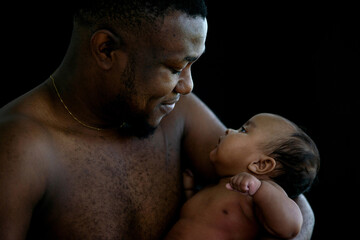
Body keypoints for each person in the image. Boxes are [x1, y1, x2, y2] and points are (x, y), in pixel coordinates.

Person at [0, 1, 315, 239]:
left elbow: (284, 189)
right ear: (106, 49)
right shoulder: (20, 149)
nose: (188, 86)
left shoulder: (175, 110)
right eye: (176, 68)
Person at [165, 113, 320, 240]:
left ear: (261, 165)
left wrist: (259, 189)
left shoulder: (257, 194)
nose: (228, 130)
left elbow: (291, 227)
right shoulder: (218, 185)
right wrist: (191, 193)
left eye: (243, 130)